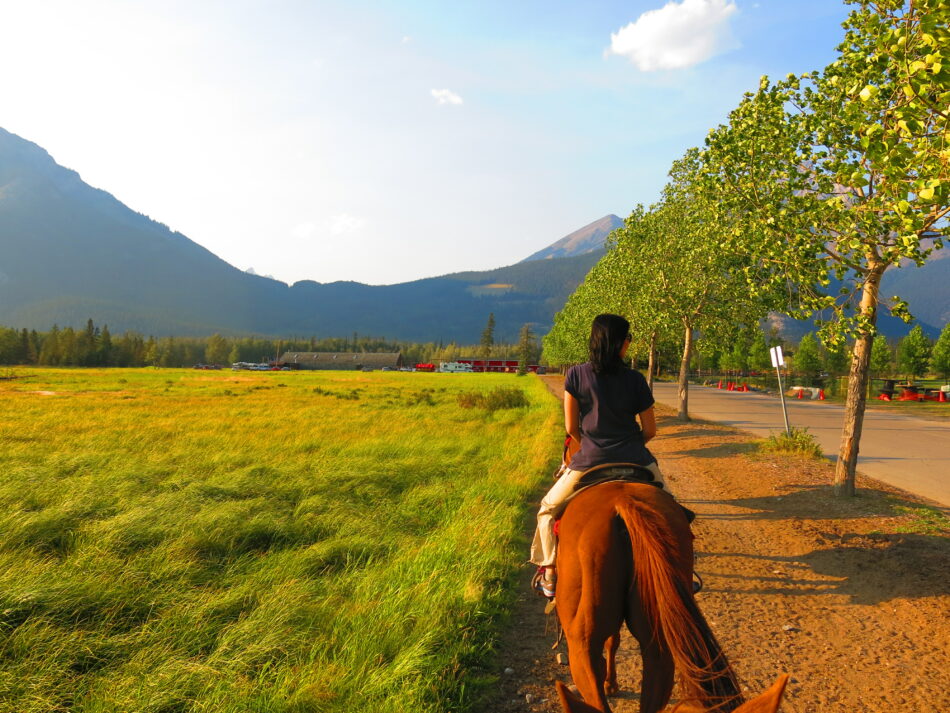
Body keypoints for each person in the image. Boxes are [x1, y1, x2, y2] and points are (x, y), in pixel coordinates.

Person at [529, 313, 673, 599]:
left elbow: (571, 427)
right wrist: (631, 445)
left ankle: (549, 572)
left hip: (590, 461)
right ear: (619, 342)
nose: (630, 344)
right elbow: (651, 430)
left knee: (546, 510)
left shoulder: (576, 375)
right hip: (635, 458)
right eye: (629, 339)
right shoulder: (635, 379)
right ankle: (681, 572)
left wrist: (592, 446)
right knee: (674, 511)